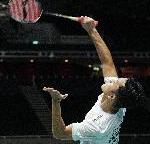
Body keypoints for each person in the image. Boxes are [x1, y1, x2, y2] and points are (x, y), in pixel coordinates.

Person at [43, 16, 143, 144]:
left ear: (112, 96)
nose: (113, 80)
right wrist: (91, 30)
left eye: (115, 82)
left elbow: (59, 133)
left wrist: (56, 101)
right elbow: (107, 63)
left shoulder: (99, 126)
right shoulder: (118, 100)